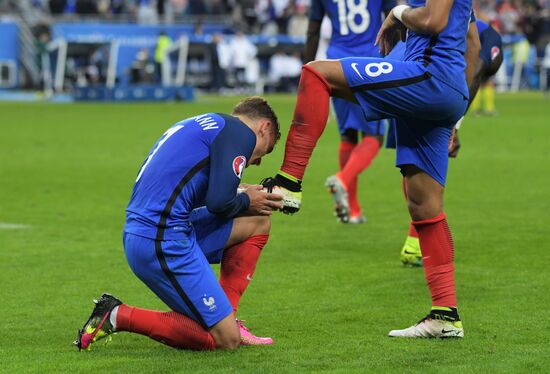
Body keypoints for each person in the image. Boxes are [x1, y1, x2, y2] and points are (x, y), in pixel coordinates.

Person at [263, 0, 473, 338]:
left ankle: (288, 183)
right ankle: (445, 316)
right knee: (424, 206)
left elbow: (432, 21)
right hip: (442, 89)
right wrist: (457, 109)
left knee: (316, 72)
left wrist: (398, 13)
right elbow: (472, 42)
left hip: (429, 79)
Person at [75, 97, 284, 351]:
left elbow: (186, 188)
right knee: (225, 340)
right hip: (162, 240)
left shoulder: (206, 124)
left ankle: (227, 314)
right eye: (266, 149)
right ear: (263, 127)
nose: (258, 160)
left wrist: (241, 191)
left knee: (257, 220)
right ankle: (118, 315)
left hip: (151, 232)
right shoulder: (241, 133)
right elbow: (219, 203)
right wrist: (244, 199)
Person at [392, 18, 502, 266]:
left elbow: (474, 75)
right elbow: (473, 76)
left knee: (412, 156)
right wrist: (455, 124)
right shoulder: (483, 41)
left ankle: (415, 241)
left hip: (409, 73)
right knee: (423, 157)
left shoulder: (438, 22)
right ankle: (421, 240)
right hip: (425, 80)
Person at [305, 0, 395, 223]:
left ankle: (353, 210)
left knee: (348, 134)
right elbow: (394, 21)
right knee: (374, 135)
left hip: (336, 62)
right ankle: (342, 178)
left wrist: (307, 69)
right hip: (370, 62)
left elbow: (312, 30)